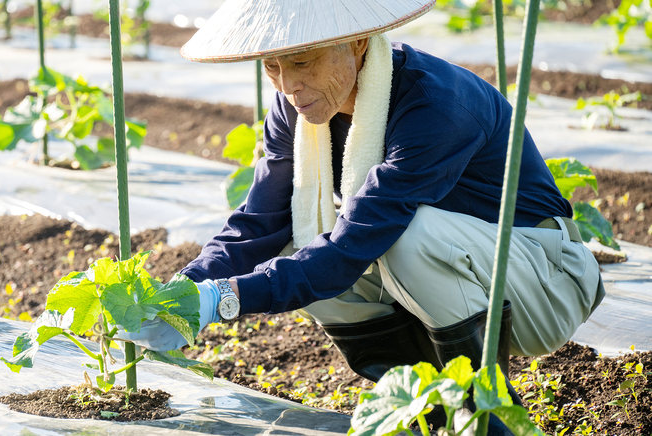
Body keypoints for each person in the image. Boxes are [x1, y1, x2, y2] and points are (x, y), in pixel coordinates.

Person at [118, 0, 605, 432]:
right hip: (455, 280)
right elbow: (259, 222)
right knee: (299, 244)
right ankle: (423, 410)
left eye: (302, 61)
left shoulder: (434, 105)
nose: (289, 85)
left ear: (353, 44)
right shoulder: (297, 111)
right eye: (272, 66)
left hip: (541, 280)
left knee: (402, 235)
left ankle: (486, 418)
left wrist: (222, 300)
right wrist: (181, 291)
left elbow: (355, 244)